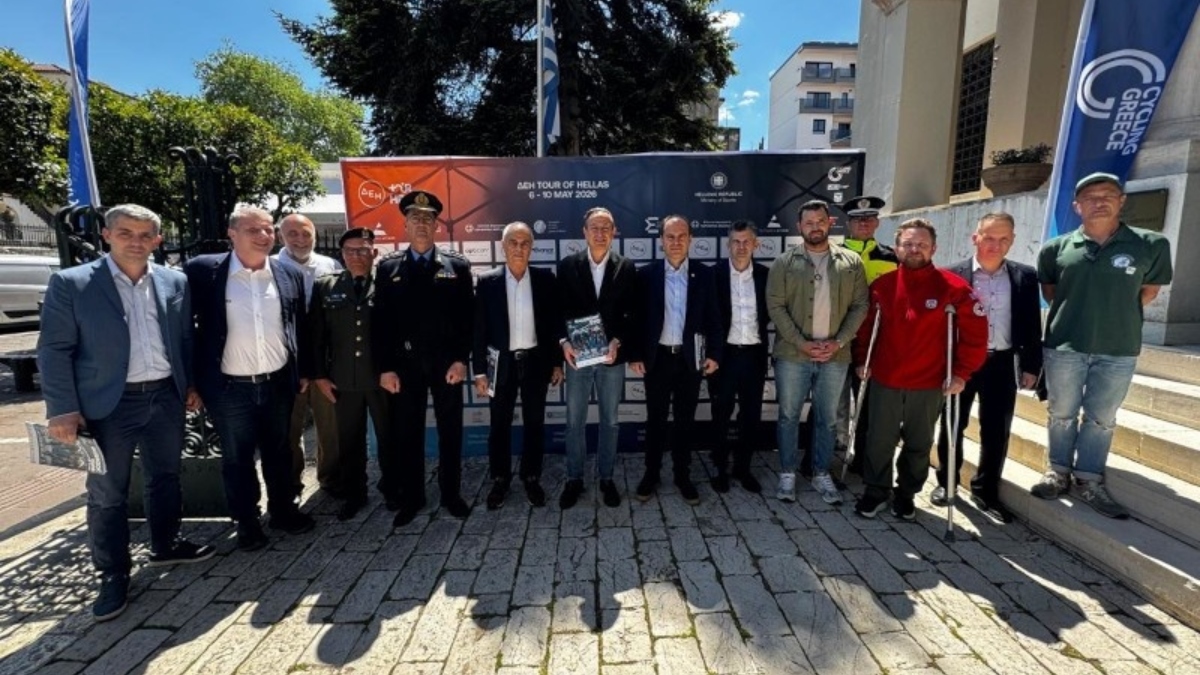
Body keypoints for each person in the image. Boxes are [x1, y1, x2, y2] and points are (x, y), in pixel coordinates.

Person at [38, 204, 212, 622]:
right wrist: (63, 409)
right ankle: (113, 573)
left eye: (145, 234)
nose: (136, 241)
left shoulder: (174, 280)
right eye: (125, 233)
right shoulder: (73, 283)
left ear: (157, 240)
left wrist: (190, 383)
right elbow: (54, 349)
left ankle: (166, 544)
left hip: (164, 396)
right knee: (108, 491)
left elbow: (184, 339)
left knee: (165, 476)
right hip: (109, 404)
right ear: (106, 235)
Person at [1032, 172, 1173, 518]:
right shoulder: (1056, 248)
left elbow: (1148, 292)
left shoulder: (1150, 244)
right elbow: (1052, 293)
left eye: (1108, 195)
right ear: (1077, 206)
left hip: (1118, 347)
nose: (1100, 202)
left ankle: (1089, 478)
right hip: (1065, 345)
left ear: (1121, 201)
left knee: (1102, 418)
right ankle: (1058, 471)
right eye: (1091, 197)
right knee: (1061, 413)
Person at [186, 206, 315, 552]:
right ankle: (247, 521)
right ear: (232, 234)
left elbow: (299, 326)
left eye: (269, 229)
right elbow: (185, 329)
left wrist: (303, 370)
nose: (263, 236)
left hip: (277, 382)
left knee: (279, 451)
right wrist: (191, 381)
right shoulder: (203, 271)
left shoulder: (288, 273)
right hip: (229, 387)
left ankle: (283, 511)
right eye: (253, 230)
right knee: (237, 458)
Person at [852, 218, 988, 520]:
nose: (915, 249)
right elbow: (865, 330)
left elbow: (976, 336)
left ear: (933, 248)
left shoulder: (954, 288)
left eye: (922, 244)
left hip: (928, 382)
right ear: (897, 248)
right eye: (908, 244)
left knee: (919, 443)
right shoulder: (882, 287)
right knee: (878, 440)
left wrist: (961, 373)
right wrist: (862, 360)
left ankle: (906, 493)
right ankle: (876, 491)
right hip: (886, 378)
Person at [373, 190, 474, 527]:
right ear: (405, 225)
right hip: (405, 367)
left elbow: (467, 320)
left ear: (436, 226)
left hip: (447, 366)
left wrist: (461, 359)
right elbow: (381, 323)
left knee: (451, 432)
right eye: (415, 218)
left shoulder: (456, 266)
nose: (421, 223)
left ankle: (451, 494)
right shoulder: (388, 269)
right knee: (407, 433)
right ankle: (412, 497)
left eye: (428, 219)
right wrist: (385, 367)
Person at [933, 213, 1042, 523]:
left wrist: (1031, 366)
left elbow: (1031, 325)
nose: (996, 245)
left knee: (997, 430)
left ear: (1012, 241)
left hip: (1002, 362)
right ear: (975, 238)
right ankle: (946, 482)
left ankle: (985, 490)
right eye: (989, 238)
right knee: (952, 424)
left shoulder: (1025, 276)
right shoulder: (950, 275)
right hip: (961, 363)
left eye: (1003, 239)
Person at [766, 200, 868, 504]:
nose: (815, 227)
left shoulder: (851, 262)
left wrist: (839, 342)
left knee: (827, 418)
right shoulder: (784, 263)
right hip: (793, 355)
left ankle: (822, 472)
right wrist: (801, 342)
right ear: (799, 227)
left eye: (820, 221)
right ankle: (787, 472)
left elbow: (860, 306)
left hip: (835, 356)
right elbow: (776, 307)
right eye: (808, 222)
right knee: (788, 415)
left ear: (830, 223)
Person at [630, 215, 723, 505]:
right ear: (661, 240)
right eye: (670, 236)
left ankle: (683, 475)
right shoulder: (646, 275)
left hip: (689, 360)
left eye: (682, 236)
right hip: (657, 359)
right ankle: (651, 474)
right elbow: (635, 319)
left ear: (691, 239)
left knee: (685, 420)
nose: (676, 242)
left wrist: (714, 354)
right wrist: (635, 354)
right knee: (655, 420)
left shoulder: (704, 274)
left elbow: (715, 318)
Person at [472, 222, 565, 510]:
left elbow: (553, 325)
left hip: (536, 362)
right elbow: (479, 330)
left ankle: (531, 476)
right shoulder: (487, 282)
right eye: (513, 242)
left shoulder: (545, 279)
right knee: (499, 423)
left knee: (535, 422)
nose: (519, 248)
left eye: (525, 243)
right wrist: (479, 371)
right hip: (501, 365)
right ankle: (500, 478)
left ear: (531, 248)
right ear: (503, 247)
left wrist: (557, 363)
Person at [556, 206, 639, 509]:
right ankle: (574, 478)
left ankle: (607, 478)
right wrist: (564, 342)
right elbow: (558, 309)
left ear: (614, 232)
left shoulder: (626, 267)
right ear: (584, 232)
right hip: (577, 358)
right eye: (595, 228)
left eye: (606, 228)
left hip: (610, 359)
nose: (600, 233)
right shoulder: (568, 266)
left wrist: (618, 341)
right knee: (574, 422)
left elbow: (632, 313)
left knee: (611, 422)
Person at [307, 227, 392, 521]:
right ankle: (354, 493)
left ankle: (393, 488)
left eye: (363, 250)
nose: (357, 256)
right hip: (343, 380)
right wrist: (319, 376)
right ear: (342, 254)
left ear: (374, 253)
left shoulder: (388, 284)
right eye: (350, 251)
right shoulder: (325, 286)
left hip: (381, 378)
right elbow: (316, 336)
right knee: (349, 441)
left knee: (389, 437)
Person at [273, 213, 341, 498]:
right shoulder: (270, 267)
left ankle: (331, 479)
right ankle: (291, 484)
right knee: (289, 429)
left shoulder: (331, 265)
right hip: (288, 364)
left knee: (330, 428)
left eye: (306, 234)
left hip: (325, 363)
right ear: (280, 236)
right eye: (293, 234)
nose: (300, 240)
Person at [833, 195, 900, 474]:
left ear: (877, 223)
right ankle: (819, 460)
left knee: (867, 407)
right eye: (858, 219)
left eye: (869, 219)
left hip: (873, 344)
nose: (864, 223)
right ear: (848, 223)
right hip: (836, 342)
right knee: (828, 405)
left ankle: (861, 461)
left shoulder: (891, 257)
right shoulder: (831, 254)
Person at [709, 220, 770, 494]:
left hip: (754, 355)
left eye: (746, 241)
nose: (741, 246)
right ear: (728, 244)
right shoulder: (714, 275)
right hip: (724, 356)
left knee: (751, 415)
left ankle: (743, 469)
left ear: (755, 244)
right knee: (720, 414)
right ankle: (720, 468)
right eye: (736, 241)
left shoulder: (766, 275)